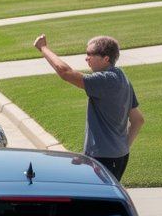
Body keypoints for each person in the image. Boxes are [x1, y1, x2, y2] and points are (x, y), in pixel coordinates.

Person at [33, 34, 144, 181]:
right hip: (116, 156)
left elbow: (65, 73)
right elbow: (138, 119)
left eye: (90, 54)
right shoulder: (121, 77)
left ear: (106, 58)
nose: (86, 58)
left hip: (105, 160)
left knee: (99, 202)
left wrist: (43, 48)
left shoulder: (105, 80)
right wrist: (120, 147)